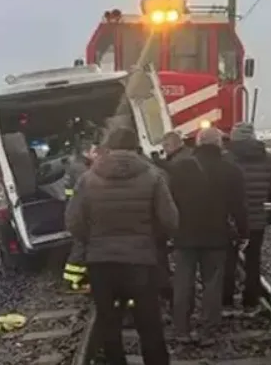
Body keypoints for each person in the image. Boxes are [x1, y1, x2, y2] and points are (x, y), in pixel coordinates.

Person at [65, 126, 177, 365]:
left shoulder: (88, 178)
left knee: (109, 324)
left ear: (108, 148)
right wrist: (151, 239)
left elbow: (73, 222)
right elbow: (170, 220)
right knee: (149, 325)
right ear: (135, 146)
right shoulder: (153, 176)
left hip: (101, 264)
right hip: (141, 263)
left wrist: (93, 240)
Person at [169, 127, 248, 345]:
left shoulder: (179, 168)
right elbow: (239, 207)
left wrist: (169, 230)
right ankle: (208, 331)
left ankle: (181, 329)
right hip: (216, 236)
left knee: (183, 281)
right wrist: (243, 232)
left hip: (184, 235)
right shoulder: (231, 170)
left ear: (197, 142)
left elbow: (169, 202)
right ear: (219, 144)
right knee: (213, 284)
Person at [222, 123, 271, 315]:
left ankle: (226, 303)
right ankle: (250, 302)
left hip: (231, 219)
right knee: (253, 260)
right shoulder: (269, 159)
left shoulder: (226, 158)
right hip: (257, 218)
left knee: (227, 261)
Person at [62, 142, 99, 294]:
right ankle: (72, 281)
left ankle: (77, 278)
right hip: (80, 213)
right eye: (94, 151)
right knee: (81, 245)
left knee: (82, 245)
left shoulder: (78, 165)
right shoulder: (80, 169)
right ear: (85, 152)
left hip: (78, 211)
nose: (96, 154)